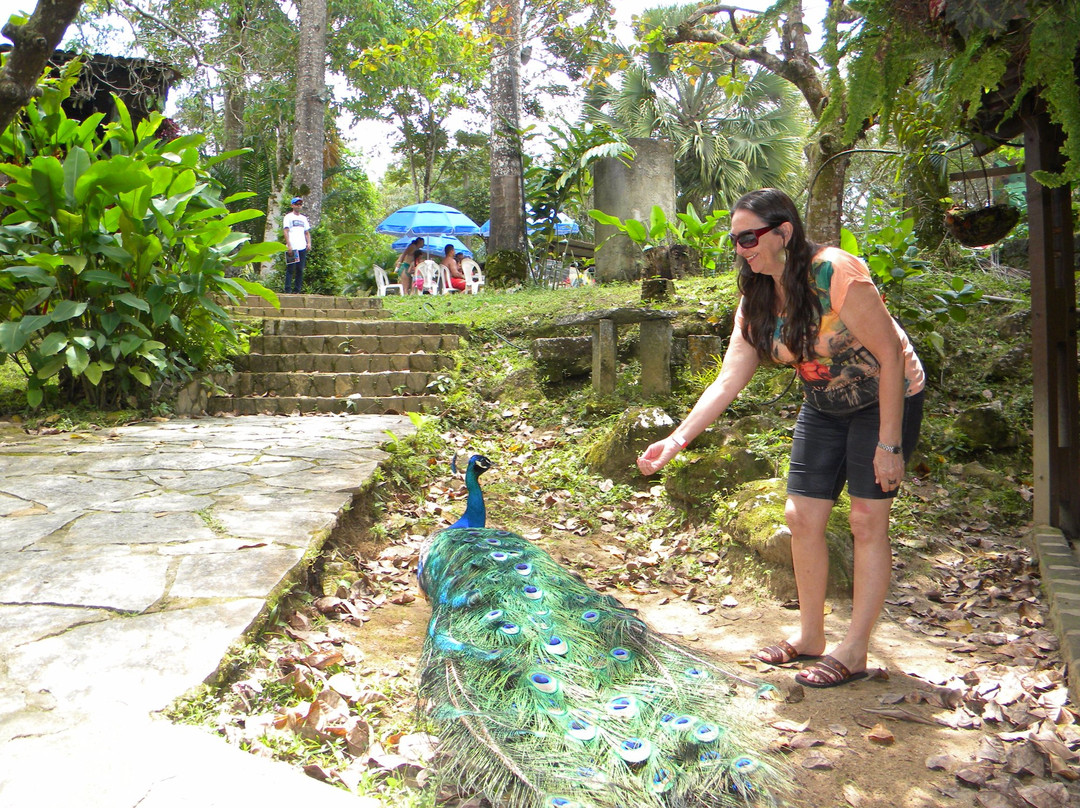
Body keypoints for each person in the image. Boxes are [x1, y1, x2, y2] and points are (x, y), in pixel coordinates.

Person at [637, 188, 925, 689]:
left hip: (886, 399)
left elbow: (892, 358)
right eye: (735, 240)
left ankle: (854, 649)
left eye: (748, 236)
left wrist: (890, 445)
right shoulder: (756, 300)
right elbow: (729, 378)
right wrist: (677, 440)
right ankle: (811, 636)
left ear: (783, 233)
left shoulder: (836, 272)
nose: (740, 247)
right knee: (800, 515)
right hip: (824, 405)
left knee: (865, 518)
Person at [282, 197, 311, 294]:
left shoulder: (303, 218)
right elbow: (285, 231)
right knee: (290, 269)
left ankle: (297, 290)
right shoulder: (288, 217)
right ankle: (288, 289)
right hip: (293, 246)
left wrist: (309, 243)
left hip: (302, 246)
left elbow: (306, 232)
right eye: (296, 204)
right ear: (292, 205)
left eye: (300, 204)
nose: (298, 206)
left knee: (300, 270)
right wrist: (289, 245)